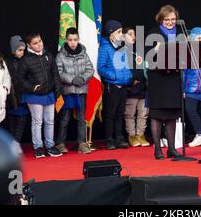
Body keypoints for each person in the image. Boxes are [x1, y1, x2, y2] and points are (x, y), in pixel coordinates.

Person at [145, 5, 184, 160]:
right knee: (157, 114)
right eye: (167, 19)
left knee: (172, 115)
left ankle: (172, 149)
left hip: (173, 78)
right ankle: (157, 149)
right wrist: (157, 49)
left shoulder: (180, 33)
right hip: (158, 79)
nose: (170, 22)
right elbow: (147, 57)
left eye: (173, 19)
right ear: (161, 19)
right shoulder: (153, 33)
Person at [18, 30, 63, 158]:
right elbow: (20, 79)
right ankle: (38, 147)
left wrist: (57, 90)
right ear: (29, 45)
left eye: (40, 41)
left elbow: (55, 74)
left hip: (49, 94)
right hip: (34, 95)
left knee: (50, 121)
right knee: (37, 121)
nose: (39, 45)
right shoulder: (25, 60)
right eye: (35, 43)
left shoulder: (48, 55)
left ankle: (50, 146)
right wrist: (32, 88)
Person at [55, 27, 94, 154]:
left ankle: (82, 143)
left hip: (81, 91)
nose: (73, 42)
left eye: (75, 40)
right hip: (68, 91)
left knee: (81, 118)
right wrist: (72, 80)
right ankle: (60, 143)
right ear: (66, 40)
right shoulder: (60, 56)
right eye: (70, 40)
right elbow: (59, 73)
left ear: (78, 40)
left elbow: (90, 69)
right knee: (65, 118)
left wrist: (82, 78)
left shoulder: (84, 53)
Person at [98, 20, 133, 150]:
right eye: (118, 32)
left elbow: (127, 64)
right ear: (111, 34)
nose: (121, 34)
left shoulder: (122, 47)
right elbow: (101, 68)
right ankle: (109, 139)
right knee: (110, 114)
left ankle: (119, 137)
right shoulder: (105, 48)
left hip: (123, 85)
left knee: (120, 113)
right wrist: (115, 77)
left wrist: (128, 76)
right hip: (112, 86)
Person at [123, 26, 150, 147]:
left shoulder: (137, 52)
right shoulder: (121, 52)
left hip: (143, 89)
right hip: (131, 89)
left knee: (143, 113)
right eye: (130, 34)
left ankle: (140, 134)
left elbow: (144, 67)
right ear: (123, 36)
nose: (133, 36)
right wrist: (131, 81)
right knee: (130, 113)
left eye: (134, 34)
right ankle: (132, 135)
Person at [5, 36, 28, 152]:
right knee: (11, 120)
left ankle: (16, 142)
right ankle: (11, 142)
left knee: (22, 119)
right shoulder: (7, 62)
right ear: (14, 50)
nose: (22, 53)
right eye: (19, 50)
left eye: (23, 50)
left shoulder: (26, 60)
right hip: (11, 95)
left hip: (23, 94)